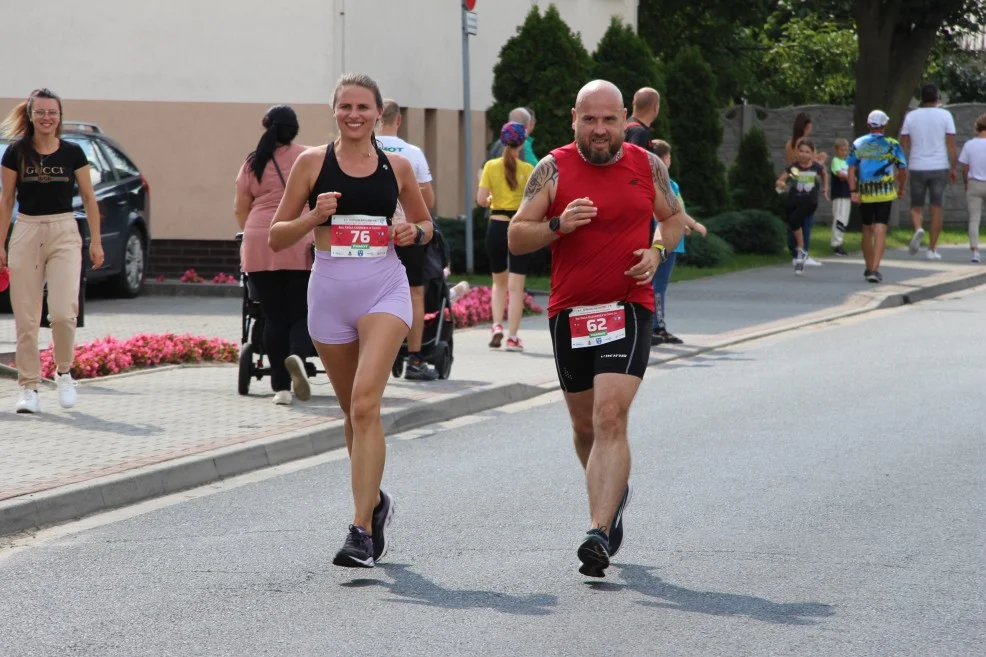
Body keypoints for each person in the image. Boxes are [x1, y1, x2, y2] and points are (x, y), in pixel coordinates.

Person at [507, 80, 690, 578]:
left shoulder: (646, 164)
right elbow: (516, 235)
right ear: (574, 118)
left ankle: (598, 530)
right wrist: (558, 226)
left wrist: (656, 249)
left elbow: (674, 220)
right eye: (590, 119)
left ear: (624, 117)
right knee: (585, 426)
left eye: (609, 119)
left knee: (611, 416)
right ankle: (613, 495)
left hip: (628, 305)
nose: (600, 129)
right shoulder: (552, 167)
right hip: (570, 311)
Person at [268, 73, 433, 568]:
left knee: (366, 405)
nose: (354, 115)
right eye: (345, 107)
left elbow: (427, 226)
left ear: (379, 113)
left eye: (364, 107)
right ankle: (376, 503)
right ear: (334, 110)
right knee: (351, 414)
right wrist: (312, 218)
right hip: (330, 293)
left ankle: (359, 530)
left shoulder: (397, 166)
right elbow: (276, 237)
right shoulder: (311, 163)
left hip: (383, 288)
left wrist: (410, 231)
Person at [0, 88, 105, 414]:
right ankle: (29, 387)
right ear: (30, 115)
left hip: (64, 230)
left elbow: (89, 198)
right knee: (26, 318)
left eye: (53, 112)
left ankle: (63, 373)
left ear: (59, 117)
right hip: (27, 230)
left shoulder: (73, 152)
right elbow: (6, 201)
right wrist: (0, 245)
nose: (47, 117)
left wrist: (97, 241)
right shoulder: (15, 153)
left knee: (62, 312)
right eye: (41, 112)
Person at [234, 105, 313, 405]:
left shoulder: (253, 161)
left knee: (272, 315)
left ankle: (280, 387)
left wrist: (257, 235)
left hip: (259, 242)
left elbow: (240, 207)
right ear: (295, 130)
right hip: (299, 240)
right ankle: (297, 356)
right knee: (302, 312)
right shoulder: (308, 157)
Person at [376, 98, 438, 381]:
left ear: (377, 118)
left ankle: (376, 356)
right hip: (407, 232)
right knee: (414, 292)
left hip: (373, 233)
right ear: (398, 120)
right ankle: (414, 358)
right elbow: (427, 200)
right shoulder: (412, 153)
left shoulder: (365, 148)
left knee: (373, 293)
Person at [477, 121, 535, 351]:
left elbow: (481, 200)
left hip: (496, 227)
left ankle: (497, 325)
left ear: (502, 141)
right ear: (522, 143)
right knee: (516, 286)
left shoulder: (491, 166)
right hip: (519, 230)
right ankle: (512, 337)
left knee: (498, 283)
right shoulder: (529, 170)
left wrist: (493, 200)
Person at [649, 140, 706, 345]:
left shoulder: (669, 184)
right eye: (669, 156)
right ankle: (658, 326)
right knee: (658, 286)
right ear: (664, 159)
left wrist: (682, 224)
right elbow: (677, 211)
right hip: (665, 242)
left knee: (657, 285)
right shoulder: (667, 184)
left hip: (670, 239)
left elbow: (676, 213)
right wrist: (695, 224)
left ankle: (654, 325)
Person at [847, 110, 908, 283]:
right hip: (885, 193)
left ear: (868, 125)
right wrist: (901, 187)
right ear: (885, 126)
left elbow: (851, 169)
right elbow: (903, 169)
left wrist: (853, 191)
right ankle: (875, 269)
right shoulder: (892, 144)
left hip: (865, 193)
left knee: (867, 228)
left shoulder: (859, 143)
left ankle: (868, 268)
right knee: (881, 228)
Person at [900, 83, 957, 260]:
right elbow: (951, 145)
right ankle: (932, 249)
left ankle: (918, 228)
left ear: (921, 98)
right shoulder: (945, 115)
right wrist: (953, 167)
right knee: (936, 207)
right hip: (939, 166)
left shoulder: (911, 116)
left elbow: (903, 145)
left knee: (916, 206)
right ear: (937, 97)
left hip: (917, 165)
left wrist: (901, 168)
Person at [775, 138, 828, 276]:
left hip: (810, 202)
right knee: (794, 222)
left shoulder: (816, 166)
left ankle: (801, 249)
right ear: (797, 152)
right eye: (801, 151)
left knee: (795, 220)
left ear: (812, 153)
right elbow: (781, 180)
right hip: (794, 200)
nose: (804, 154)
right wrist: (780, 184)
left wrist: (825, 189)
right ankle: (801, 256)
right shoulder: (793, 167)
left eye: (807, 152)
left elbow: (824, 174)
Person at [783, 113, 827, 267]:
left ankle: (795, 252)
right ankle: (803, 252)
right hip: (808, 186)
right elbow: (813, 165)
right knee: (806, 222)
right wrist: (821, 159)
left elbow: (790, 165)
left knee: (794, 221)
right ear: (806, 126)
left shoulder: (790, 143)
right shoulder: (805, 144)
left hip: (794, 185)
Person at [958, 113, 986, 263]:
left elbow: (965, 167)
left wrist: (966, 183)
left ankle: (975, 251)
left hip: (974, 183)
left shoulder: (969, 145)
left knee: (974, 219)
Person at [829, 138, 852, 256]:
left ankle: (840, 241)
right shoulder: (835, 161)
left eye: (846, 150)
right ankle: (836, 244)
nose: (844, 152)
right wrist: (849, 177)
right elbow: (840, 174)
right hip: (839, 194)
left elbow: (849, 175)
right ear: (836, 150)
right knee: (839, 218)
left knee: (844, 219)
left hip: (847, 194)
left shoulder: (847, 162)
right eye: (842, 150)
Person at [624, 88, 661, 153]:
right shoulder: (640, 132)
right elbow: (635, 160)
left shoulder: (625, 126)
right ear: (655, 107)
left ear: (633, 104)